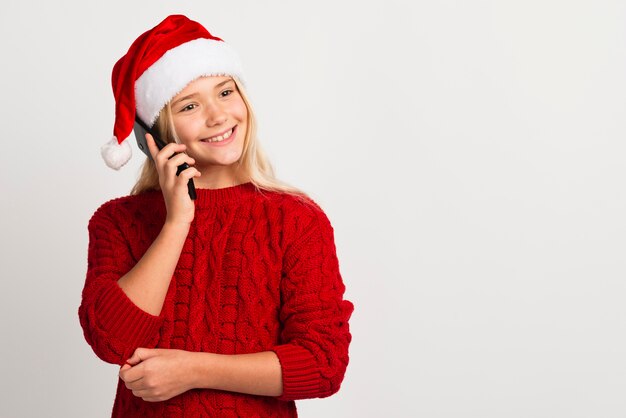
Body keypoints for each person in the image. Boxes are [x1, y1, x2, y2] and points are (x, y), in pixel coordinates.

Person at [78, 14, 354, 418]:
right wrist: (176, 223)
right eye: (189, 105)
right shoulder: (118, 221)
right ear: (153, 136)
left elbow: (323, 365)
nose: (218, 116)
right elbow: (111, 342)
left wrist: (193, 370)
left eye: (225, 92)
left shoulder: (296, 219)